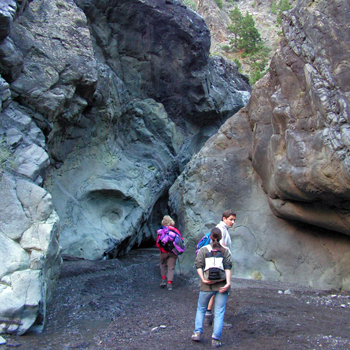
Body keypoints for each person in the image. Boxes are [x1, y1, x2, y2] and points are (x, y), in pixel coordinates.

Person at [191, 227, 232, 348]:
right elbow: (228, 267)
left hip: (207, 284)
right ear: (220, 238)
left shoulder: (204, 250)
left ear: (210, 237)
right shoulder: (225, 250)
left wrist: (203, 278)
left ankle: (197, 332)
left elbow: (198, 264)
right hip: (222, 285)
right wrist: (228, 283)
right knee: (219, 312)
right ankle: (216, 339)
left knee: (201, 308)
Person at [206, 210, 236, 326]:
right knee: (221, 291)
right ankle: (218, 320)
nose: (232, 222)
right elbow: (222, 247)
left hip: (215, 263)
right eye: (231, 219)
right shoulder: (221, 229)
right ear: (224, 218)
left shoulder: (220, 229)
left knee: (214, 289)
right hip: (220, 265)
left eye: (234, 220)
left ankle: (208, 313)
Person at [156, 215, 182, 291]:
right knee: (171, 267)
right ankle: (169, 283)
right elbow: (180, 241)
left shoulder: (161, 231)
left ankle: (163, 280)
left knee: (163, 265)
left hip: (163, 252)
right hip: (173, 252)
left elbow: (157, 243)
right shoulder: (175, 230)